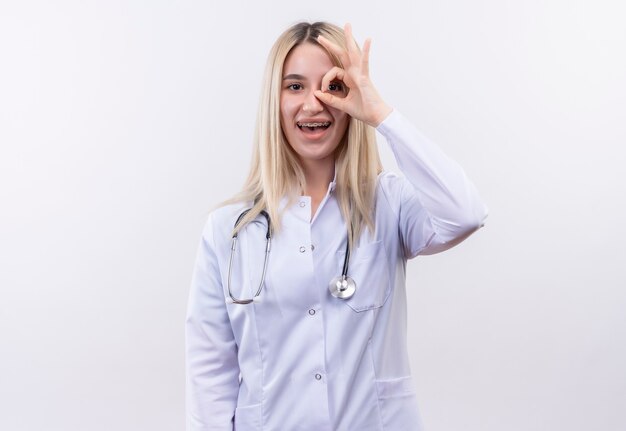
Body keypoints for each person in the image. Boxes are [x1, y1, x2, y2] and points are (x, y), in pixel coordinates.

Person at [186, 21, 488, 431]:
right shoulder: (230, 230)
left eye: (332, 87)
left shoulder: (389, 204)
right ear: (273, 101)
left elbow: (465, 213)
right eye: (294, 87)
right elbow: (210, 376)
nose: (314, 104)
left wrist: (380, 113)